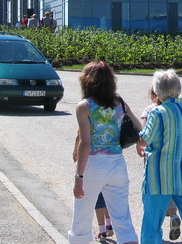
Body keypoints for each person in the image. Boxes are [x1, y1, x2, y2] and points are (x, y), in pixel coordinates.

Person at [136, 69, 182, 244]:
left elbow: (145, 140)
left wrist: (135, 135)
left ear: (158, 91)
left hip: (159, 177)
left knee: (152, 223)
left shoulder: (157, 112)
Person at [68, 61, 139, 244]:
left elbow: (85, 143)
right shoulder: (120, 103)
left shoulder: (84, 107)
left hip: (93, 164)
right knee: (122, 219)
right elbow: (140, 131)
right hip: (117, 163)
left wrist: (79, 176)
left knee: (81, 219)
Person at [140, 83, 182, 241]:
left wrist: (139, 145)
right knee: (170, 188)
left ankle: (155, 231)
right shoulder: (175, 109)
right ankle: (173, 215)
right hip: (173, 155)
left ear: (154, 94)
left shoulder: (150, 110)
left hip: (155, 158)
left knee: (153, 196)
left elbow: (144, 133)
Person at [72, 132, 114, 242]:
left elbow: (80, 135)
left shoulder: (89, 120)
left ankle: (102, 230)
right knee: (106, 195)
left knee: (98, 199)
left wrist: (76, 150)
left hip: (93, 161)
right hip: (110, 160)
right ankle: (109, 224)